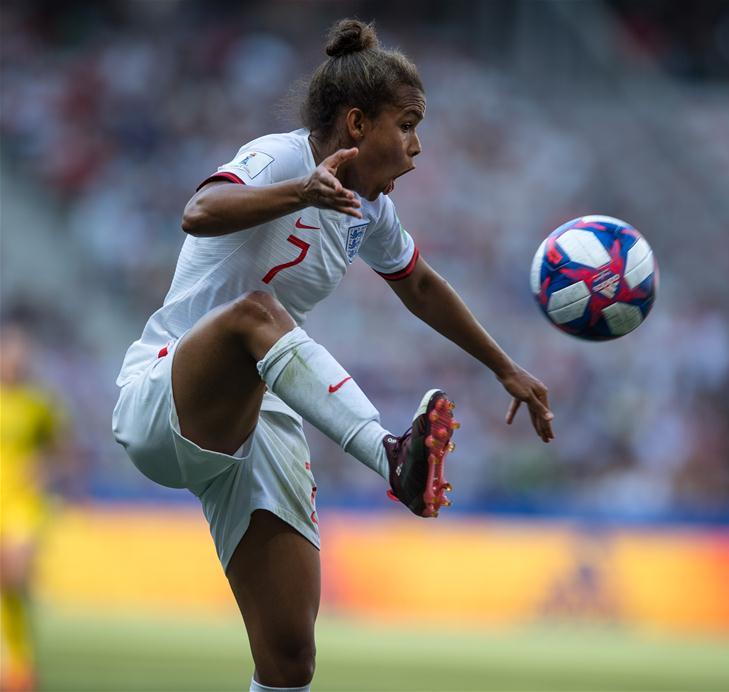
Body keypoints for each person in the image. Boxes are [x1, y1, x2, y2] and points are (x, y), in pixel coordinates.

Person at [112, 18, 554, 692]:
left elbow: (421, 285)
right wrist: (301, 191)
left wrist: (505, 367)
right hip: (164, 392)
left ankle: (393, 463)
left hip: (256, 421)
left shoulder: (368, 211)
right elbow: (199, 209)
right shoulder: (284, 159)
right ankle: (392, 457)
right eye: (405, 125)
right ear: (355, 124)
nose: (416, 148)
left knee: (290, 657)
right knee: (257, 313)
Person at [0, 322, 67, 692]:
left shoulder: (39, 404)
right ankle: (19, 670)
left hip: (25, 504)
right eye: (10, 354)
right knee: (7, 589)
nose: (15, 361)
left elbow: (63, 453)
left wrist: (44, 469)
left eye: (21, 355)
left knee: (12, 574)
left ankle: (18, 667)